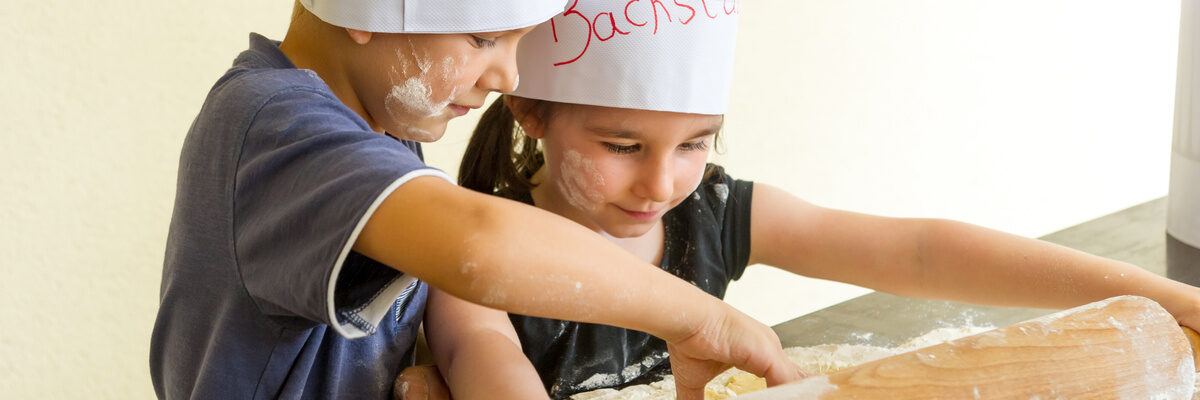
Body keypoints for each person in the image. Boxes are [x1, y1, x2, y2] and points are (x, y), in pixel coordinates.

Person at [425, 0, 1200, 398]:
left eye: (696, 143)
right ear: (531, 112)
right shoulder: (481, 258)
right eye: (621, 147)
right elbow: (485, 360)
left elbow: (922, 252)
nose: (661, 185)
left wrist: (1168, 297)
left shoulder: (716, 217)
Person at [149, 1, 803, 399]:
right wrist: (698, 319)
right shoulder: (274, 121)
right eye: (485, 39)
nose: (509, 77)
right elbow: (479, 247)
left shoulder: (379, 131)